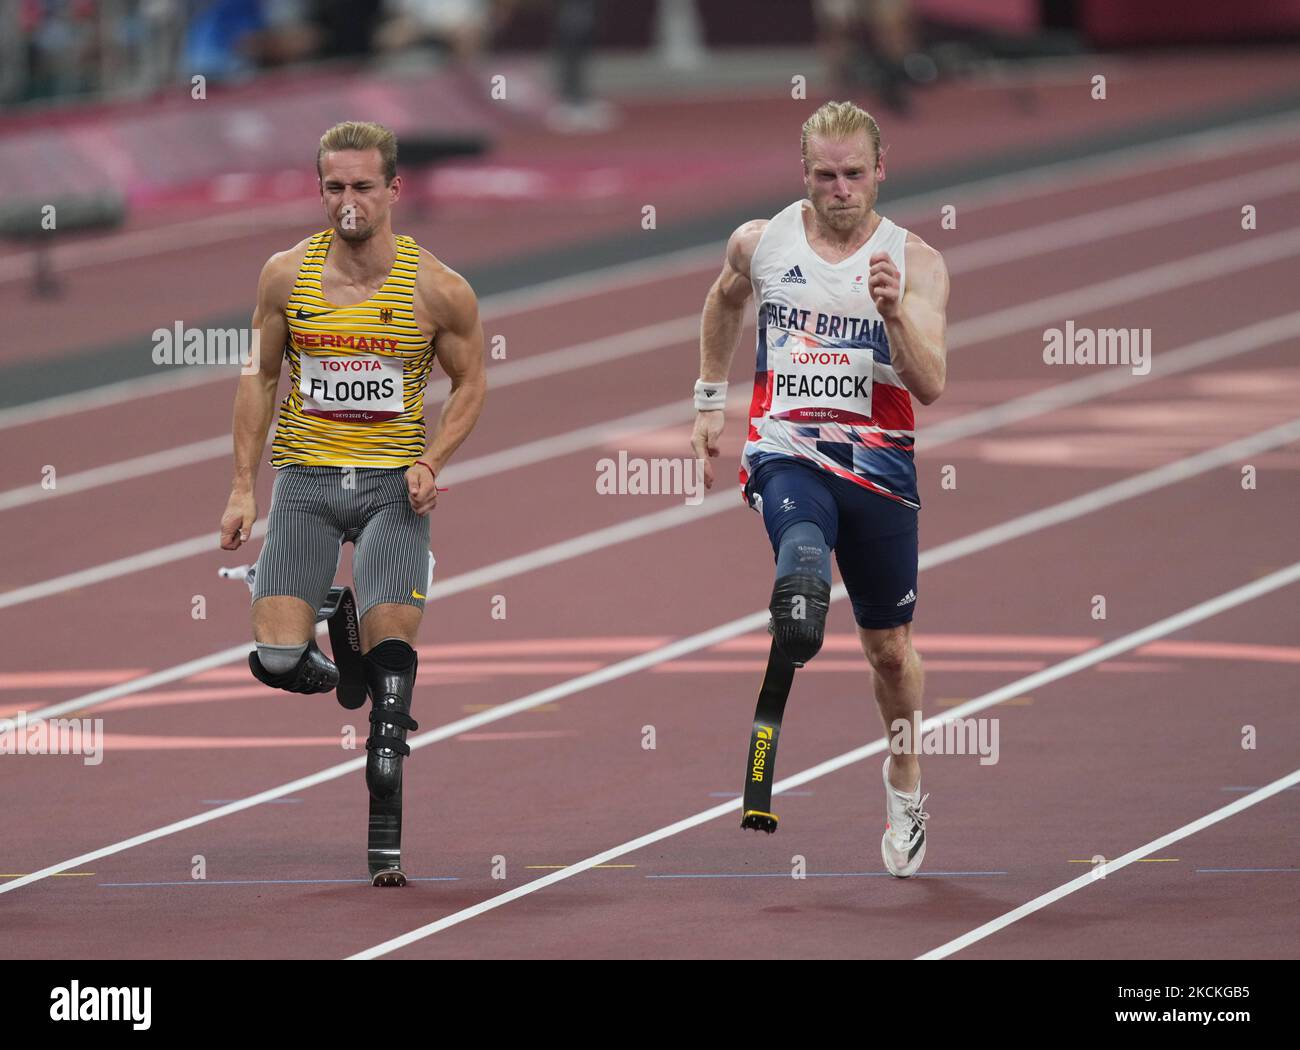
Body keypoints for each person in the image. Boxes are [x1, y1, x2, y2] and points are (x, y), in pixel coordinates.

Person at [219, 119, 487, 882]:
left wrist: (434, 459)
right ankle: (341, 631)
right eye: (334, 187)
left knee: (394, 682)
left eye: (363, 187)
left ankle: (385, 804)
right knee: (274, 659)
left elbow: (471, 382)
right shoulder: (285, 276)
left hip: (390, 489)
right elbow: (258, 378)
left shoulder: (439, 288)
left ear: (393, 190)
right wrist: (243, 486)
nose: (348, 202)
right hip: (304, 484)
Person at [691, 100, 949, 877]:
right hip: (788, 456)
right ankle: (800, 589)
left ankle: (904, 780)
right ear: (805, 174)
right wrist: (710, 399)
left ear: (882, 170)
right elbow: (724, 300)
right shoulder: (761, 241)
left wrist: (892, 312)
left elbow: (931, 384)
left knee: (890, 653)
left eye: (855, 174)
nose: (841, 189)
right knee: (801, 556)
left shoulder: (918, 263)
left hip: (878, 473)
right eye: (825, 175)